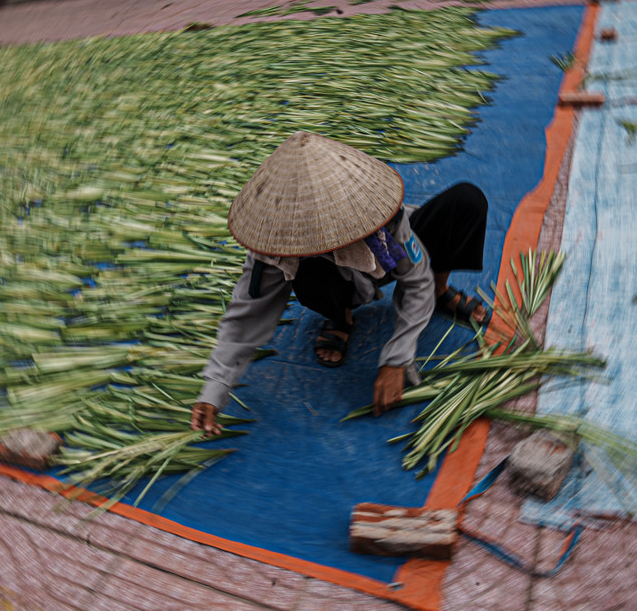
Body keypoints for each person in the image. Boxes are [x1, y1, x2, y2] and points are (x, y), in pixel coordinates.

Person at [190, 131, 489, 436]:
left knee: (466, 201)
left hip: (379, 260)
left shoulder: (379, 217)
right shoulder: (274, 241)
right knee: (310, 275)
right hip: (333, 282)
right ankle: (340, 318)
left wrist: (396, 358)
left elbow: (416, 281)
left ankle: (442, 291)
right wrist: (214, 388)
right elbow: (247, 314)